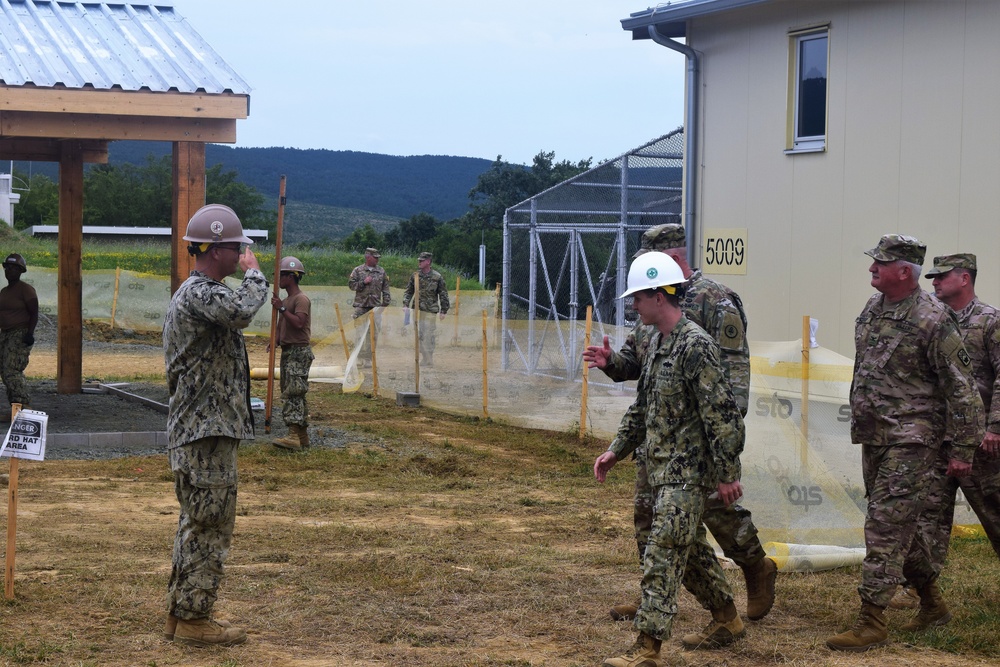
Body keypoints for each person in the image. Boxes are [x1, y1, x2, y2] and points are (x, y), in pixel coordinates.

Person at [583, 223, 777, 627]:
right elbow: (639, 364)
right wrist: (612, 364)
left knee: (716, 513)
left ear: (671, 259)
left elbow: (732, 379)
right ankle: (655, 591)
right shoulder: (651, 305)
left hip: (700, 436)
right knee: (650, 518)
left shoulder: (715, 301)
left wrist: (721, 444)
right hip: (659, 434)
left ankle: (756, 567)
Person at [826, 235, 983, 652]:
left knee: (883, 525)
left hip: (913, 440)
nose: (872, 269)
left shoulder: (933, 319)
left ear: (904, 271)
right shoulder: (873, 309)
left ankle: (871, 621)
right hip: (875, 436)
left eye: (881, 263)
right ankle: (932, 603)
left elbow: (962, 389)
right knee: (902, 528)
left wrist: (964, 448)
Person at [595, 252, 747, 667]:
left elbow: (724, 415)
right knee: (691, 551)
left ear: (660, 296)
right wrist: (616, 449)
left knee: (662, 553)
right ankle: (727, 619)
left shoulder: (695, 345)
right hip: (661, 470)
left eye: (638, 298)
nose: (633, 306)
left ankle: (647, 648)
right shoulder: (658, 342)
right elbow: (643, 408)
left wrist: (727, 473)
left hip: (688, 474)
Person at [162, 204, 268, 647]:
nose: (242, 253)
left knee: (197, 522)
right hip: (205, 434)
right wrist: (256, 273)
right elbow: (244, 309)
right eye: (237, 247)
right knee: (211, 525)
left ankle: (182, 612)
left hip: (205, 431)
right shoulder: (200, 293)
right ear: (216, 249)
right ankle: (193, 621)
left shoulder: (201, 293)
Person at [884, 254, 1000, 627]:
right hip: (936, 438)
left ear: (964, 278)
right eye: (931, 276)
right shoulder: (931, 319)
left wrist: (995, 425)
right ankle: (919, 590)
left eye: (942, 276)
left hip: (980, 441)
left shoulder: (989, 321)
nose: (933, 282)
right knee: (927, 518)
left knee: (995, 513)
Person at [271, 256, 314, 451]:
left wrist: (281, 307)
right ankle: (302, 436)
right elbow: (283, 323)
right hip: (289, 350)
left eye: (281, 275)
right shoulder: (287, 300)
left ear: (291, 276)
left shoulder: (300, 299)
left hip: (298, 351)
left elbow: (298, 323)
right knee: (292, 390)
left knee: (293, 392)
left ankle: (293, 435)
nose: (278, 279)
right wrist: (276, 340)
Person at [0, 253, 38, 414]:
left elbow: (34, 312)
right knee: (4, 370)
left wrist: (29, 333)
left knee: (12, 369)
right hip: (5, 334)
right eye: (7, 267)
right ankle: (15, 408)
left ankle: (24, 405)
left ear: (21, 271)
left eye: (14, 268)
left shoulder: (26, 290)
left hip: (19, 332)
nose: (9, 271)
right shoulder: (4, 291)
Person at [402, 251, 450, 368]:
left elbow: (443, 294)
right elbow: (409, 291)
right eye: (419, 260)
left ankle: (429, 358)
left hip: (430, 311)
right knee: (420, 334)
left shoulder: (437, 277)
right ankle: (424, 357)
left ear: (428, 262)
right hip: (418, 310)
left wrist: (444, 310)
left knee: (429, 334)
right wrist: (405, 304)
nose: (419, 262)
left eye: (422, 260)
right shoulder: (415, 276)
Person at [348, 247, 391, 364]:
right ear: (368, 257)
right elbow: (351, 286)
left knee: (373, 335)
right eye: (375, 257)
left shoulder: (381, 271)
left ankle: (369, 359)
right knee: (359, 333)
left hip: (375, 307)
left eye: (378, 257)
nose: (377, 259)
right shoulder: (358, 270)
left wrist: (385, 304)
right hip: (361, 307)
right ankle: (359, 357)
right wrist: (363, 282)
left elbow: (385, 288)